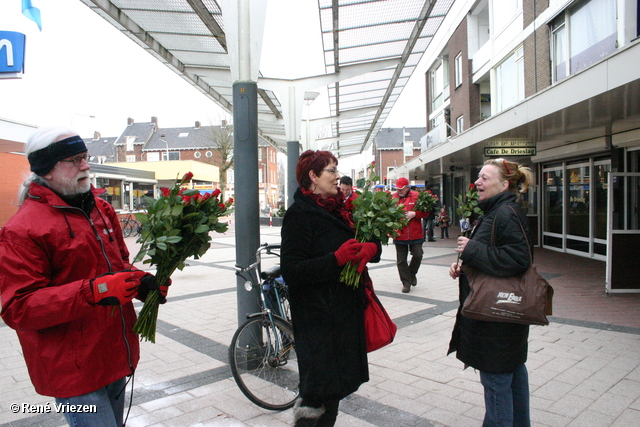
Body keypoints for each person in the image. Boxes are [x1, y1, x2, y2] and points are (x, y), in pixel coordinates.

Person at [0, 127, 167, 427]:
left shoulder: (101, 209)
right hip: (72, 369)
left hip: (115, 353)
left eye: (85, 157)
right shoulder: (22, 230)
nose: (85, 165)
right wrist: (95, 291)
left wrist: (142, 283)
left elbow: (119, 266)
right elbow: (18, 308)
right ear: (47, 170)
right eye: (74, 160)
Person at [281, 150, 381, 427]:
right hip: (318, 321)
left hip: (343, 317)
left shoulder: (341, 209)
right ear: (313, 177)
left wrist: (372, 249)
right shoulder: (299, 214)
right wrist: (335, 259)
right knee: (316, 395)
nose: (338, 176)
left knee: (334, 393)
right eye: (331, 170)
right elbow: (292, 271)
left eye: (336, 169)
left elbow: (365, 243)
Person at [447, 158, 533, 426]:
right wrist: (466, 266)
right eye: (478, 177)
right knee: (513, 376)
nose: (477, 182)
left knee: (496, 384)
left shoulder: (504, 213)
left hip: (495, 318)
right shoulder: (498, 211)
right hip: (501, 318)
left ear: (504, 184)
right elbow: (498, 256)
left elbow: (519, 259)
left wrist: (471, 249)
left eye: (485, 178)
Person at [392, 177, 429, 293]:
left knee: (418, 255)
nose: (399, 191)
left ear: (408, 187)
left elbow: (426, 212)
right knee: (401, 260)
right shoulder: (393, 198)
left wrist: (415, 214)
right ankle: (406, 283)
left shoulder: (417, 196)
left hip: (416, 234)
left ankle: (411, 274)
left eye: (401, 189)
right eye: (397, 189)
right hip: (399, 234)